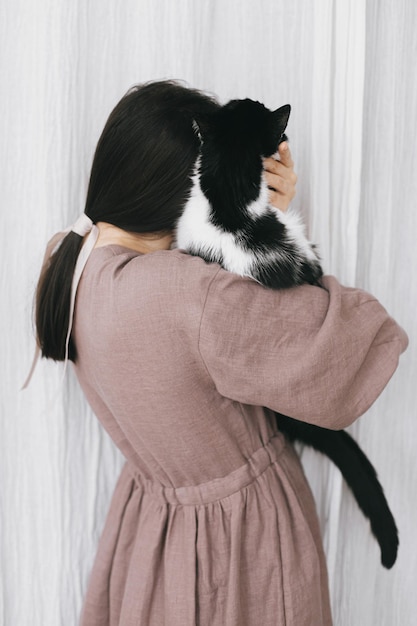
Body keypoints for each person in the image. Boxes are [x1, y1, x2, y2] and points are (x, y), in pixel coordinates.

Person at [34, 80, 408, 626]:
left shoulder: (69, 259)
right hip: (243, 547)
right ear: (187, 189)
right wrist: (262, 222)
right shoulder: (195, 297)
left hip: (150, 537)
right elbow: (348, 350)